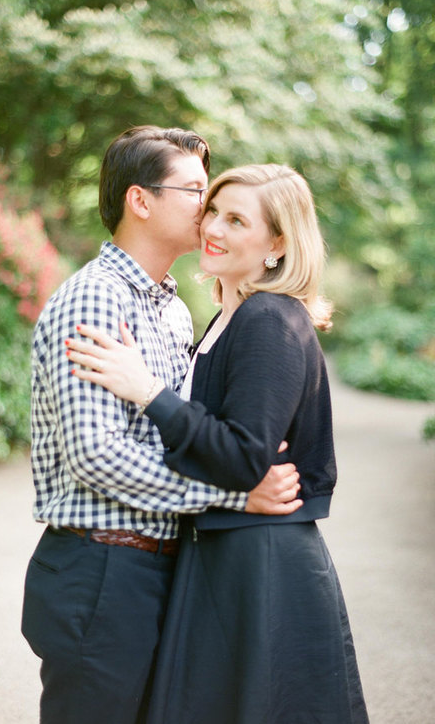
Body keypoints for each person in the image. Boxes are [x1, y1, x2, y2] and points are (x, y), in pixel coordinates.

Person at [21, 126, 303, 724]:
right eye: (196, 191)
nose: (209, 208)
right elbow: (96, 455)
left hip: (161, 565)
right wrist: (235, 494)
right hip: (102, 569)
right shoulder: (95, 299)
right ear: (141, 201)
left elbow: (185, 428)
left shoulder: (172, 309)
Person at [67, 163, 368, 723]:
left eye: (237, 220)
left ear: (278, 243)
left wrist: (147, 390)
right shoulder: (225, 319)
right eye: (213, 211)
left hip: (262, 562)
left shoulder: (269, 320)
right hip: (223, 553)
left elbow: (244, 456)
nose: (214, 228)